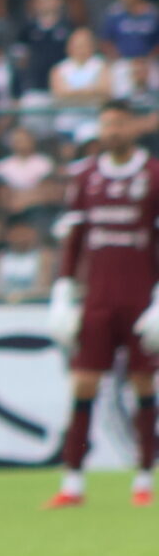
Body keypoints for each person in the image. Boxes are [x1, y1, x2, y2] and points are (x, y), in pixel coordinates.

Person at [45, 103, 159, 508]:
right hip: (98, 299)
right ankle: (73, 483)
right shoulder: (85, 176)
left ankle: (144, 478)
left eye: (119, 124)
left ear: (134, 128)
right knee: (83, 384)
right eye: (106, 124)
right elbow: (74, 240)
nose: (112, 131)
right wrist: (63, 292)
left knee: (143, 386)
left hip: (141, 299)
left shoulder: (153, 175)